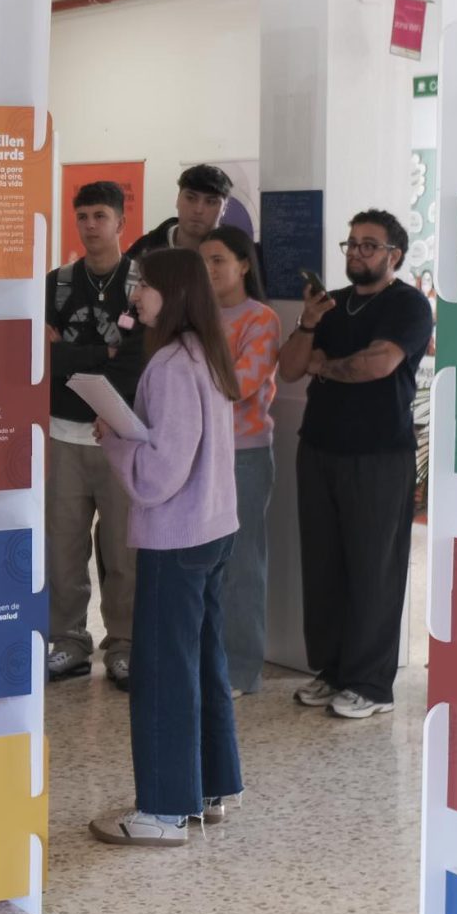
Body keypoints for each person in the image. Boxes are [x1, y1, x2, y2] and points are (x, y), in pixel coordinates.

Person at [89, 247, 244, 847]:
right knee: (202, 659)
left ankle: (161, 810)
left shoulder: (172, 367)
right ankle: (209, 788)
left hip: (177, 539)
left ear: (173, 292)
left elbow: (158, 476)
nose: (136, 295)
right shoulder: (206, 355)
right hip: (211, 530)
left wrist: (115, 440)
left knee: (161, 672)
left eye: (144, 285)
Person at [278, 210, 433, 720]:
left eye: (370, 246)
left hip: (378, 455)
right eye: (351, 244)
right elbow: (292, 368)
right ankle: (333, 670)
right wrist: (308, 324)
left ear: (395, 256)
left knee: (373, 570)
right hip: (319, 449)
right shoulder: (331, 305)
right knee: (323, 566)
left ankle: (370, 684)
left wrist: (328, 367)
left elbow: (379, 364)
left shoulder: (408, 304)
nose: (356, 254)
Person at [44, 181, 145, 687]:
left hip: (124, 437)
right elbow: (42, 356)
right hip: (62, 433)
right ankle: (67, 639)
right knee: (62, 547)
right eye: (82, 216)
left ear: (121, 222)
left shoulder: (144, 287)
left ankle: (124, 643)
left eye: (100, 216)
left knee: (123, 550)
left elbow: (140, 358)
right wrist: (100, 355)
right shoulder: (56, 284)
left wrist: (74, 353)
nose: (89, 225)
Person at [199, 227, 282, 697]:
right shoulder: (195, 315)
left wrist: (191, 380)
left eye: (218, 260)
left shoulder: (261, 319)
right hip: (198, 455)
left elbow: (239, 385)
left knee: (242, 566)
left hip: (244, 455)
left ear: (244, 265)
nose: (209, 270)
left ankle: (241, 669)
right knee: (204, 565)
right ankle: (210, 662)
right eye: (203, 261)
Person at [127, 163, 234, 260]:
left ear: (224, 208)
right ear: (177, 199)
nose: (198, 210)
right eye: (191, 198)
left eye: (210, 202)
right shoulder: (143, 250)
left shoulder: (237, 253)